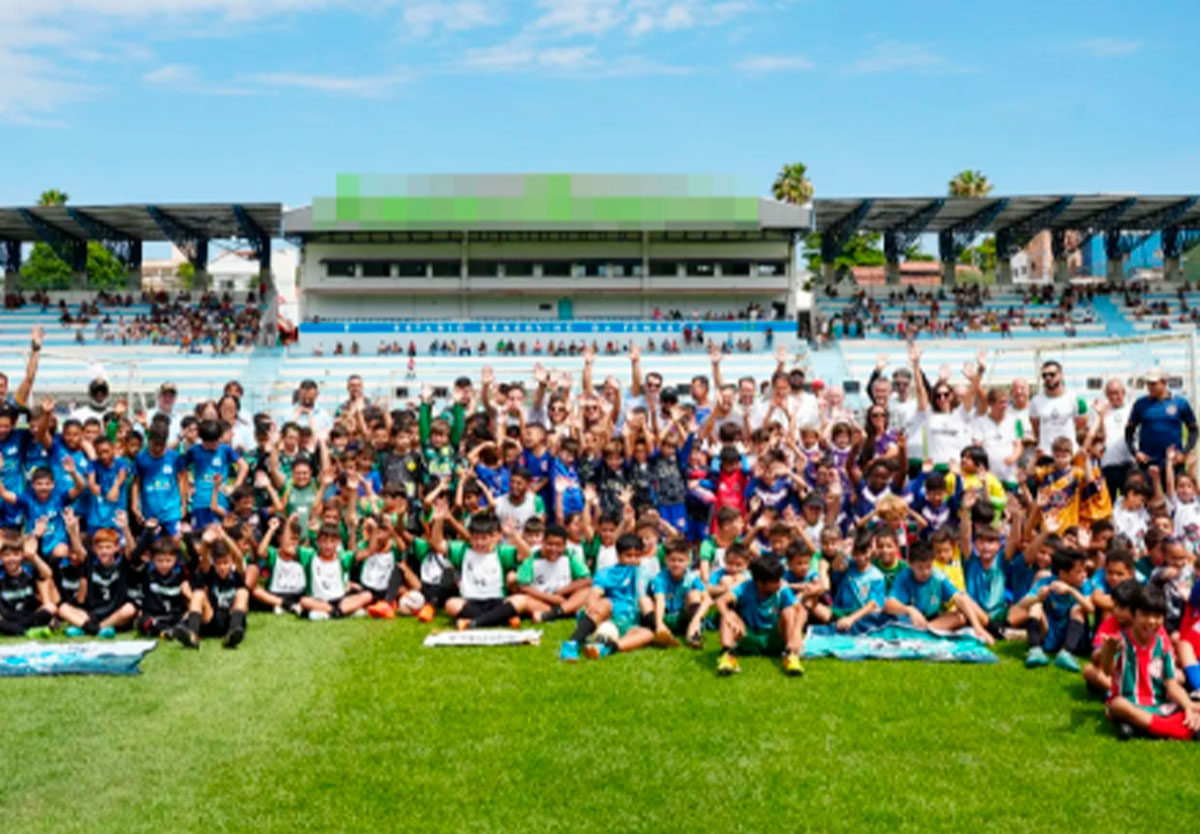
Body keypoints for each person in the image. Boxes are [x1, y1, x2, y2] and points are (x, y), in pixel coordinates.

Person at [1100, 585, 1200, 741]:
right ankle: (1175, 730)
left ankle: (1143, 726)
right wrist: (1109, 651)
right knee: (1117, 705)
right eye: (1145, 615)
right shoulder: (1120, 640)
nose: (1152, 621)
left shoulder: (1163, 643)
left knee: (1193, 705)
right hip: (1130, 703)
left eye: (1158, 616)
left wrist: (1188, 705)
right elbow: (1107, 671)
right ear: (1133, 615)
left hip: (1160, 705)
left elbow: (1172, 684)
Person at [560, 532, 654, 662]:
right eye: (628, 556)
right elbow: (595, 592)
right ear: (618, 556)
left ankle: (607, 648)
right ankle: (572, 644)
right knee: (605, 603)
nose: (633, 560)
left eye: (637, 556)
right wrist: (592, 606)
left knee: (647, 634)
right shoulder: (607, 573)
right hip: (604, 617)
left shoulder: (643, 574)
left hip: (627, 622)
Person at [714, 555, 806, 677]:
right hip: (750, 635)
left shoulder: (782, 589)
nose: (779, 583)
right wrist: (729, 617)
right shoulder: (745, 587)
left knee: (789, 611)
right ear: (760, 582)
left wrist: (796, 633)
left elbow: (802, 611)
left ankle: (790, 655)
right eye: (775, 581)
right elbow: (720, 601)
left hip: (773, 637)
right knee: (729, 614)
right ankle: (727, 655)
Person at [1125, 367, 1197, 472]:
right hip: (1148, 463)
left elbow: (1193, 430)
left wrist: (1184, 453)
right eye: (1148, 383)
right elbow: (1129, 431)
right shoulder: (1140, 404)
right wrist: (1135, 453)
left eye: (1154, 383)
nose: (1150, 387)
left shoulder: (1180, 403)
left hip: (1173, 462)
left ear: (1164, 382)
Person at [647, 537, 709, 648]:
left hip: (684, 617)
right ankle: (660, 630)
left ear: (688, 561)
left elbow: (708, 600)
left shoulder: (692, 577)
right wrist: (660, 622)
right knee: (644, 601)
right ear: (666, 560)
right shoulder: (659, 578)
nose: (676, 564)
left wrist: (696, 620)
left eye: (680, 560)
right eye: (672, 560)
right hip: (664, 616)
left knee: (694, 594)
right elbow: (660, 599)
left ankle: (694, 633)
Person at [1030, 360, 1088, 457]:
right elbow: (1036, 428)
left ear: (1061, 375)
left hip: (1069, 454)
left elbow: (1081, 427)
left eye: (1052, 374)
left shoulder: (1076, 399)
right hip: (1046, 454)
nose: (1048, 378)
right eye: (1044, 375)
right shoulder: (1035, 401)